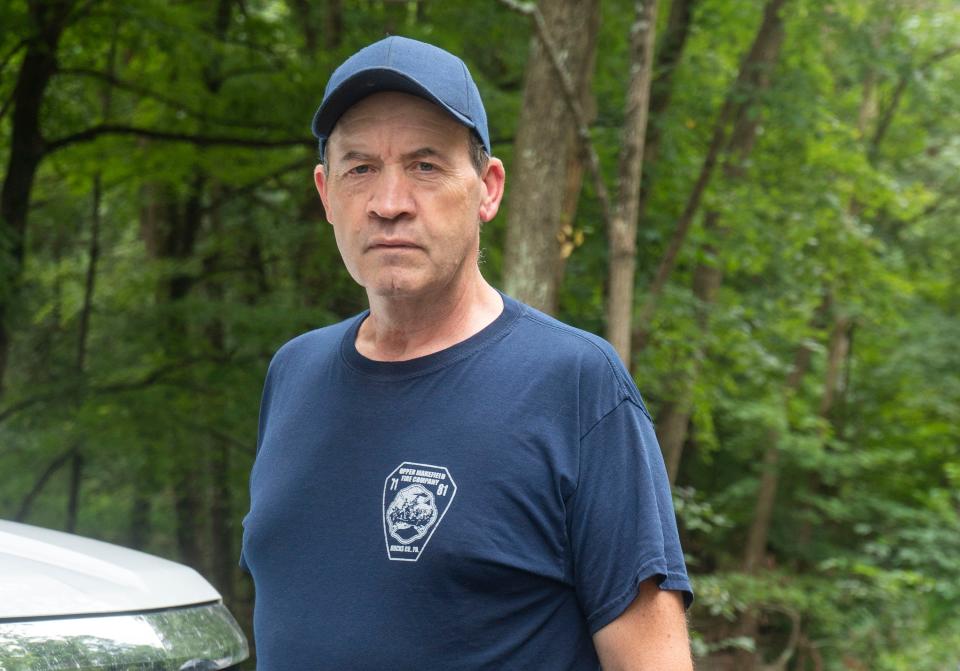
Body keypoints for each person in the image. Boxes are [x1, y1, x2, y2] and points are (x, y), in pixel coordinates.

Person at [240, 36, 694, 670]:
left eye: (425, 165)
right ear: (325, 192)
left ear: (488, 189)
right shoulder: (294, 372)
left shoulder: (575, 386)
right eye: (360, 167)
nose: (389, 203)